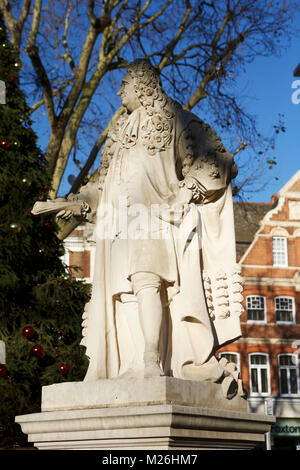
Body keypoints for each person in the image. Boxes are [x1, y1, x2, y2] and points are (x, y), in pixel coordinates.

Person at [58, 59, 244, 398]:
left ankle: (151, 359)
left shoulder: (176, 119)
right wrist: (75, 203)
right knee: (125, 293)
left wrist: (185, 191)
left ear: (141, 86)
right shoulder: (119, 133)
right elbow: (102, 185)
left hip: (156, 218)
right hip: (119, 228)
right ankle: (133, 362)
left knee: (148, 281)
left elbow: (217, 160)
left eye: (124, 86)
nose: (118, 92)